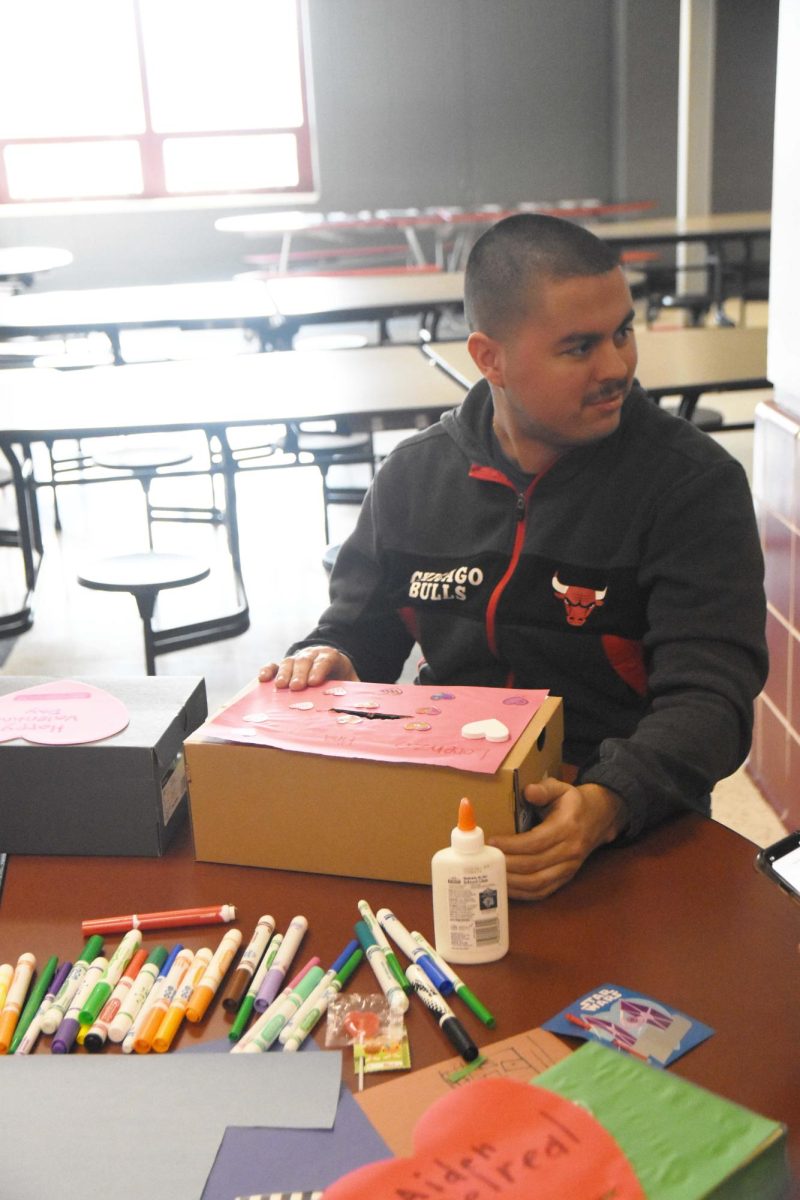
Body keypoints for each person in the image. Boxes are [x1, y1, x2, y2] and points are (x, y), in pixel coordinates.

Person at [259, 213, 768, 900]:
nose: (616, 366)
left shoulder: (693, 485)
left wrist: (607, 801)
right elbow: (358, 633)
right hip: (447, 819)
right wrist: (334, 662)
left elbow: (713, 697)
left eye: (623, 332)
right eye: (579, 347)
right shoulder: (415, 476)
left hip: (629, 822)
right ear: (489, 357)